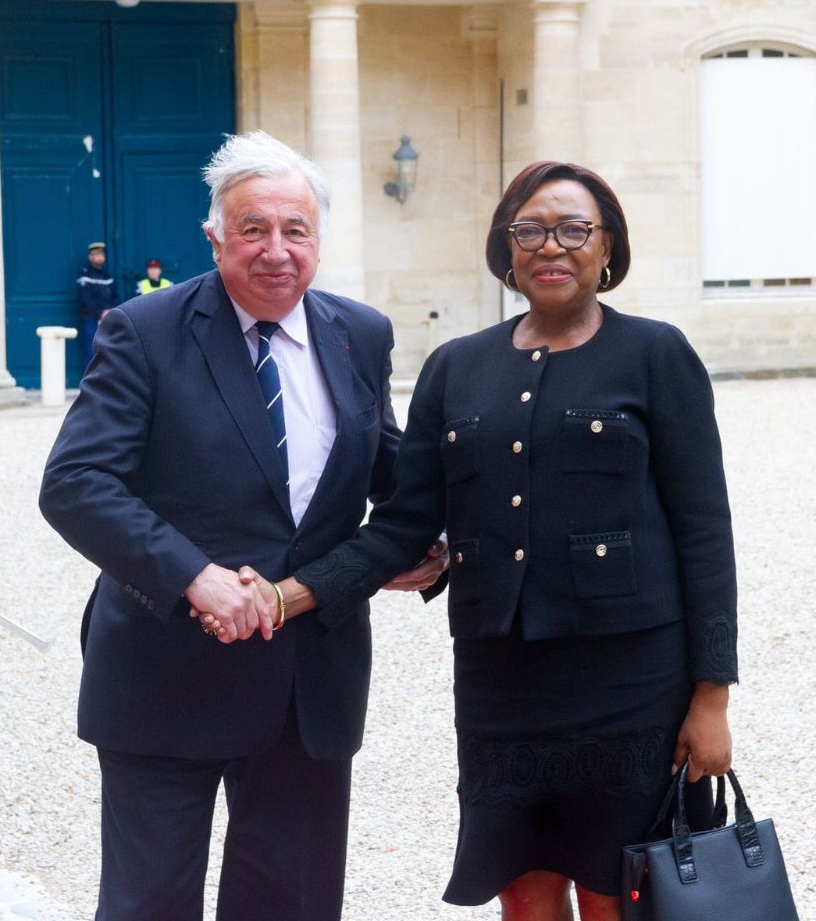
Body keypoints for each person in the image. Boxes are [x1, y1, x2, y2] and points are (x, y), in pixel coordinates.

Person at [237, 161, 738, 921]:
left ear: (608, 250)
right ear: (507, 250)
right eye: (530, 230)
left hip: (631, 682)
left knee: (619, 895)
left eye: (575, 230)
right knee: (525, 895)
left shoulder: (656, 355)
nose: (552, 247)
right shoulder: (456, 367)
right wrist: (287, 596)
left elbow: (704, 532)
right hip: (502, 683)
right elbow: (405, 524)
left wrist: (712, 698)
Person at [38, 131, 443, 921]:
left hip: (307, 682)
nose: (276, 250)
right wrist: (194, 574)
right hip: (166, 668)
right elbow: (76, 481)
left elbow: (389, 468)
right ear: (214, 236)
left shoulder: (360, 334)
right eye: (253, 228)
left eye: (296, 230)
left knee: (289, 904)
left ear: (319, 240)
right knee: (149, 905)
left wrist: (426, 541)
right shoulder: (143, 330)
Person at [77, 241, 116, 366]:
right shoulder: (85, 275)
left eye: (101, 255)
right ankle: (89, 382)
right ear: (90, 257)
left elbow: (116, 296)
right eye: (96, 255)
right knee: (91, 349)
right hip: (91, 318)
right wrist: (100, 312)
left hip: (109, 318)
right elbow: (85, 298)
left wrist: (110, 311)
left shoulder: (107, 276)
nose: (100, 257)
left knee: (110, 350)